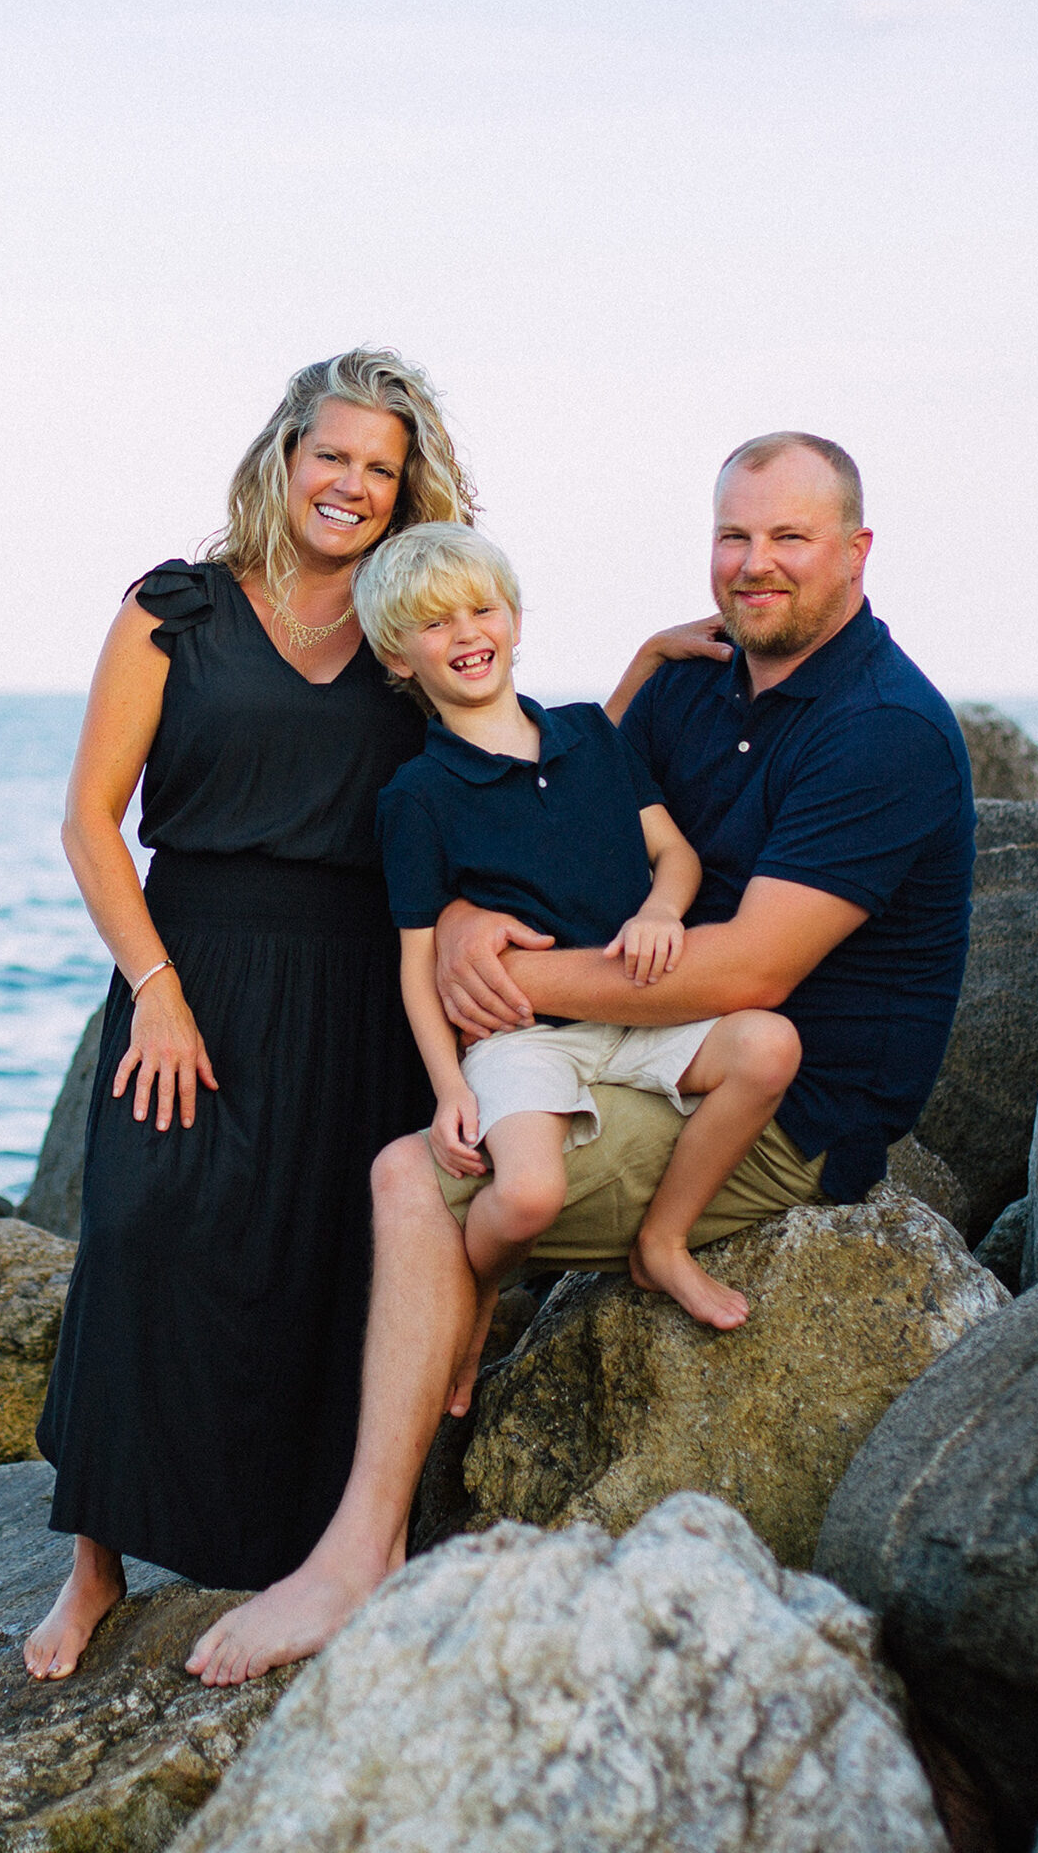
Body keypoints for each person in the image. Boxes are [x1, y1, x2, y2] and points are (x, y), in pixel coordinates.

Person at [187, 430, 976, 1688]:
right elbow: (553, 784)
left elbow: (744, 974)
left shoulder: (884, 729)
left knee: (411, 1177)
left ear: (855, 551)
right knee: (439, 1120)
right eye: (733, 534)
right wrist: (454, 913)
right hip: (630, 1039)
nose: (754, 562)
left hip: (780, 1099)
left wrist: (489, 975)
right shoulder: (689, 685)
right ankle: (359, 1436)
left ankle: (356, 1551)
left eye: (788, 538)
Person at [23, 349, 479, 1681]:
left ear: (407, 494)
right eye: (331, 455)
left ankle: (315, 1551)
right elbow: (89, 821)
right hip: (200, 969)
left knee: (325, 1264)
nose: (349, 484)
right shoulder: (176, 608)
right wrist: (156, 992)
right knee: (141, 1223)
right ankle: (94, 1565)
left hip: (360, 986)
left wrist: (642, 674)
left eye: (379, 470)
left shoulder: (414, 629)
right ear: (283, 457)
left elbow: (506, 761)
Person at [352, 523, 801, 1347]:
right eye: (434, 623)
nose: (465, 635)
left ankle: (663, 1241)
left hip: (642, 1011)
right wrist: (451, 1087)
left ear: (515, 621)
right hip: (525, 1042)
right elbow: (419, 964)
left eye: (481, 610)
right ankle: (482, 1290)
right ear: (395, 657)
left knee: (768, 1048)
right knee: (524, 1199)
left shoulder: (593, 735)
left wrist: (662, 911)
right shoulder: (414, 796)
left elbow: (675, 854)